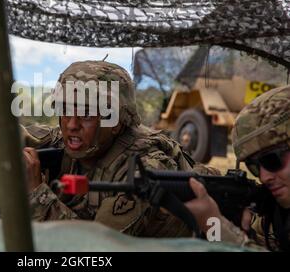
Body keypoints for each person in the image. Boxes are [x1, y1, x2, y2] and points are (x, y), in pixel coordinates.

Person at [22, 60, 218, 237]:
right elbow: (6, 136)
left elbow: (96, 249)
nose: (72, 124)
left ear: (115, 122)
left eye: (87, 114)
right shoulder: (71, 140)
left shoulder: (144, 168)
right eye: (65, 110)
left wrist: (37, 194)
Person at [184, 85, 290, 251]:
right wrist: (233, 227)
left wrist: (215, 225)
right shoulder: (275, 213)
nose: (263, 177)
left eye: (271, 160)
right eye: (254, 166)